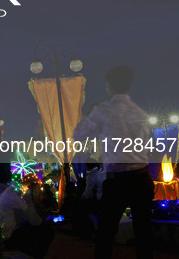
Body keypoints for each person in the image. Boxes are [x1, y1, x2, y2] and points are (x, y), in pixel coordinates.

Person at [74, 66, 154, 259]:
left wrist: (90, 114)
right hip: (142, 177)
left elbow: (78, 135)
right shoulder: (140, 113)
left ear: (109, 86)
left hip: (117, 180)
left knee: (106, 234)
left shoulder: (103, 110)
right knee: (144, 234)